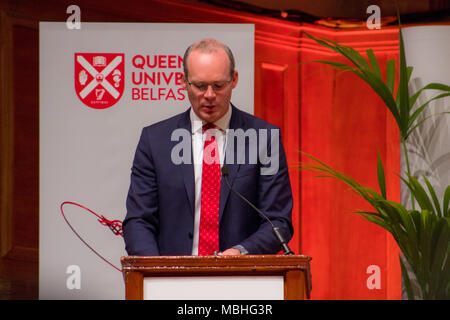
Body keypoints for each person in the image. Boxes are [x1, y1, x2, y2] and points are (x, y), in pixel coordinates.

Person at [123, 38, 293, 256]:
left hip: (241, 279)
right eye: (200, 86)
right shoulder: (155, 140)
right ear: (183, 81)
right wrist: (158, 272)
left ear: (235, 79)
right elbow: (138, 220)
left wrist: (241, 253)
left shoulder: (264, 138)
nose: (210, 95)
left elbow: (278, 220)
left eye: (219, 85)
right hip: (171, 281)